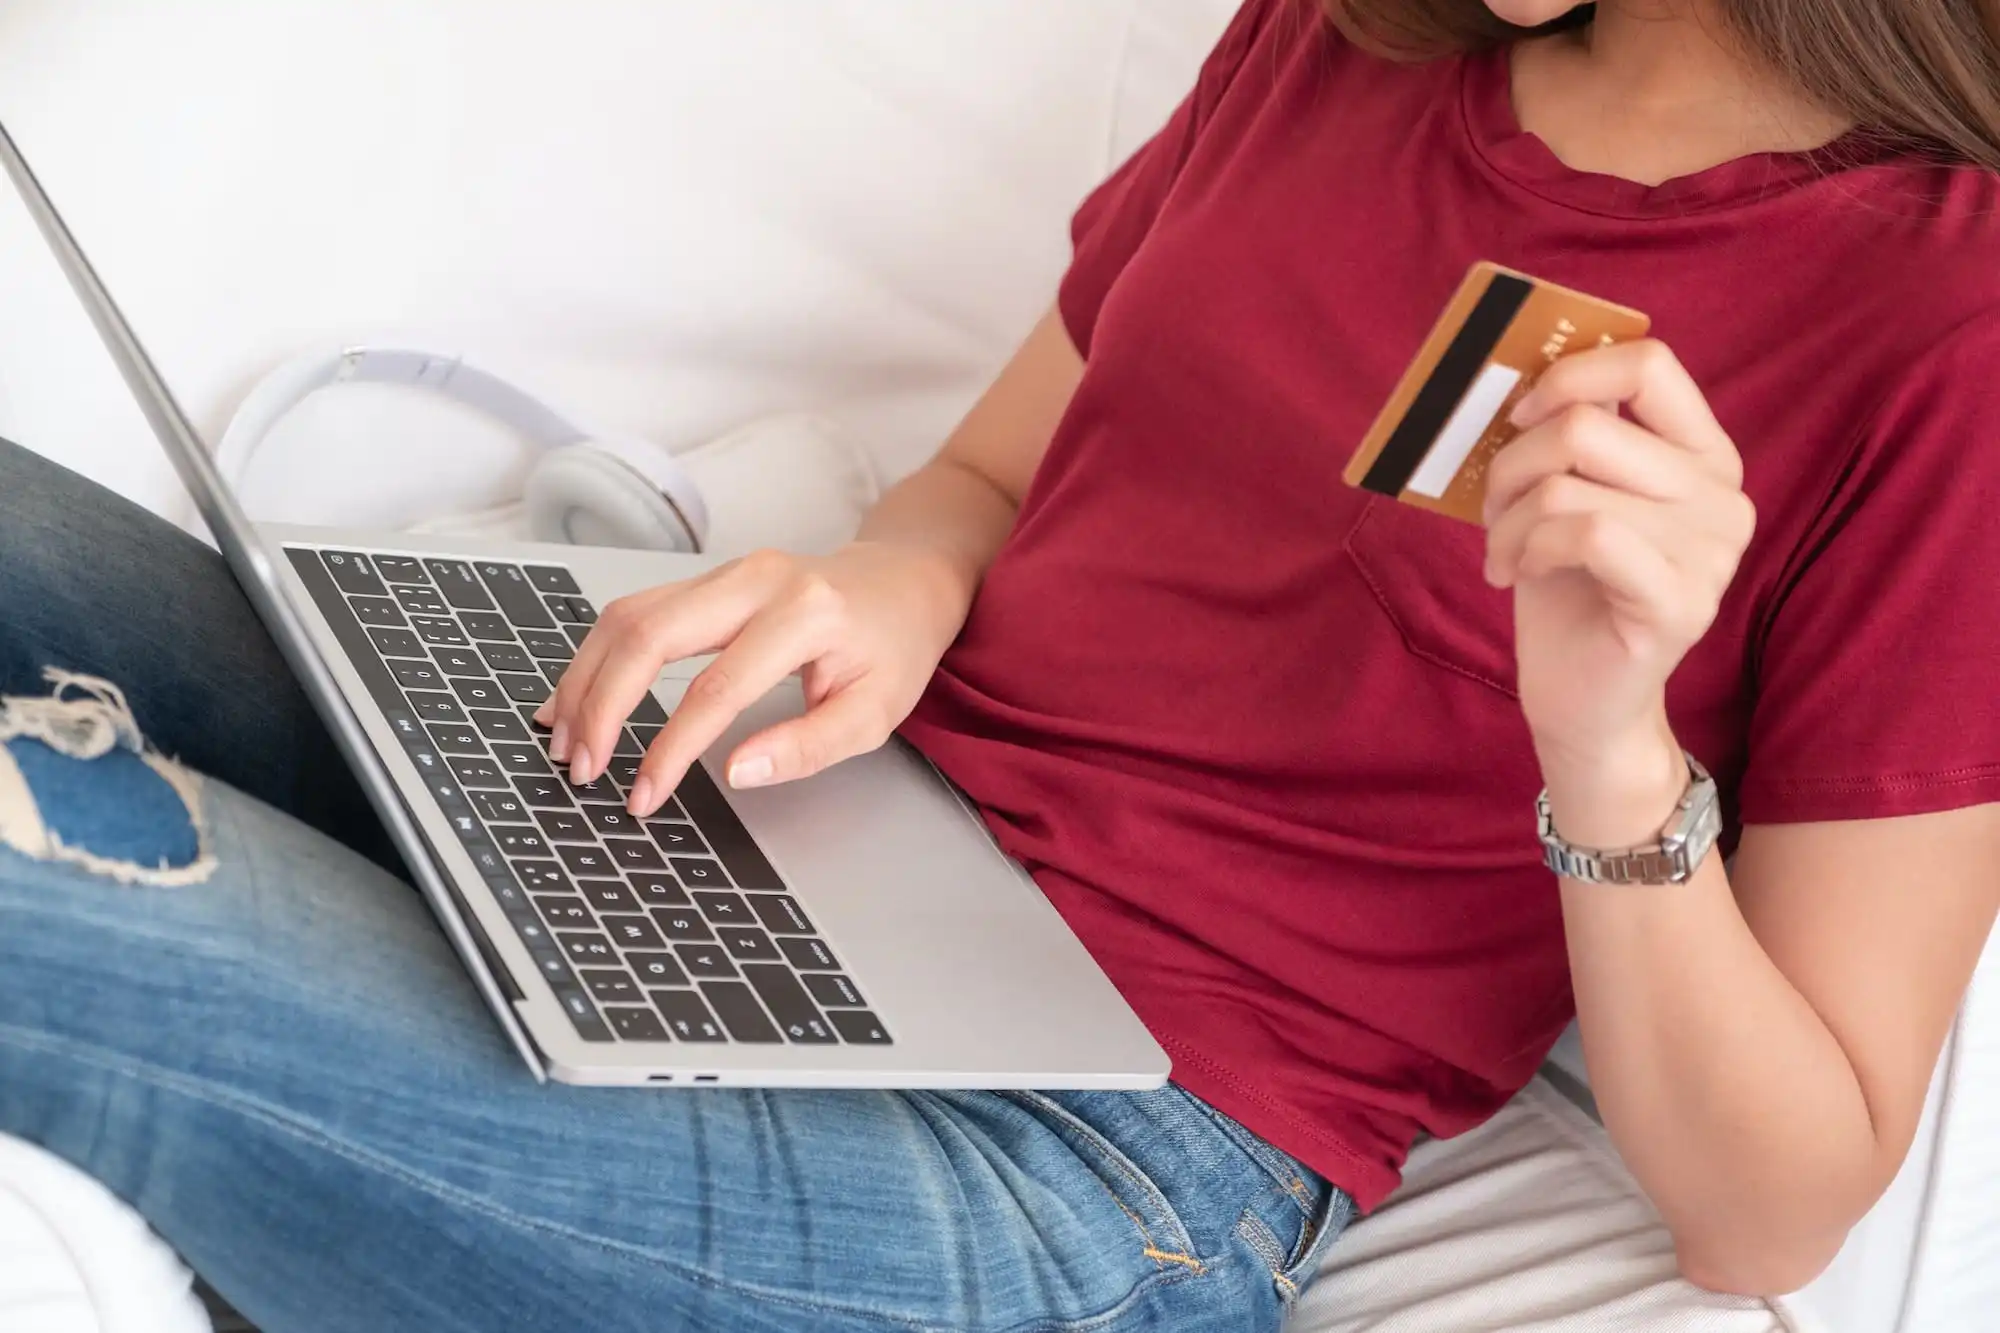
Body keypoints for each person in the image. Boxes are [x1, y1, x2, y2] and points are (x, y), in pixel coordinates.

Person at [5, 0, 2000, 1327]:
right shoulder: (1342, 37)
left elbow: (1772, 1217)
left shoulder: (1948, 326)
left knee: (41, 904)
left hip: (1076, 1173)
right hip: (800, 831)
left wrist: (1608, 746)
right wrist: (885, 586)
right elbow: (986, 475)